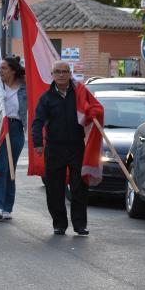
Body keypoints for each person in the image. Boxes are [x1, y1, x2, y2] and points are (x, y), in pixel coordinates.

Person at [32, 61, 89, 236]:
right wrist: (38, 144)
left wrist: (94, 112)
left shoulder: (80, 93)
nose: (62, 75)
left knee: (79, 187)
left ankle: (80, 225)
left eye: (65, 71)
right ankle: (59, 224)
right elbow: (38, 121)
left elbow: (93, 109)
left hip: (76, 147)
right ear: (52, 74)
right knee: (54, 188)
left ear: (70, 74)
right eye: (58, 72)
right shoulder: (46, 97)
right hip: (55, 148)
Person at [0, 56, 27, 220]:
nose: (0, 71)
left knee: (11, 167)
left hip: (16, 127)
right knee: (2, 166)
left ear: (13, 70)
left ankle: (7, 208)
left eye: (4, 68)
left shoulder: (24, 87)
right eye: (0, 68)